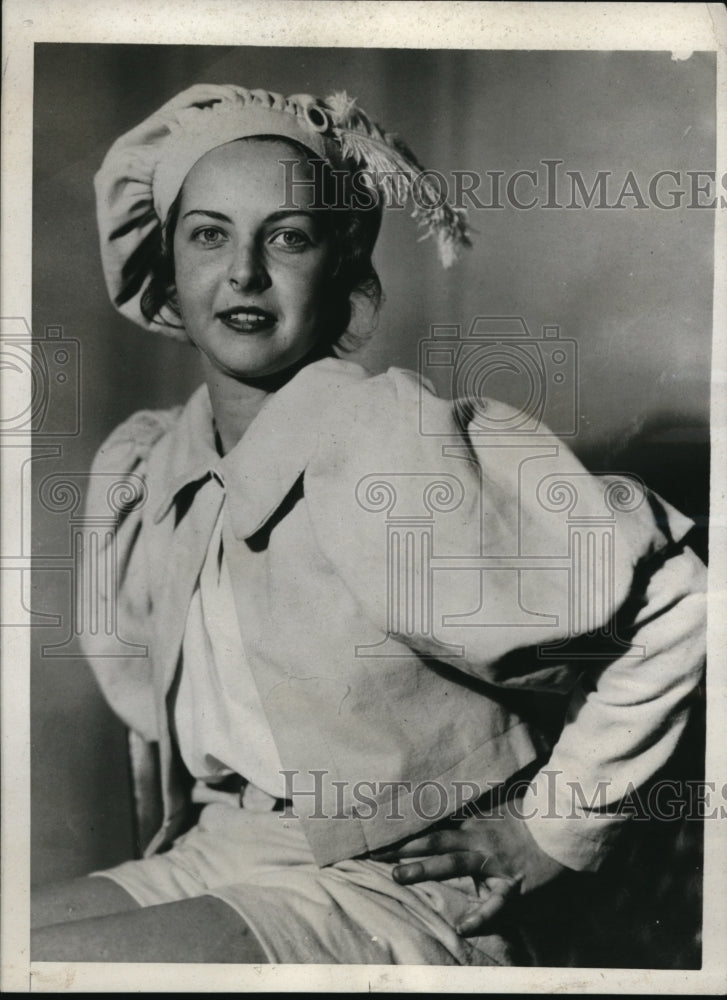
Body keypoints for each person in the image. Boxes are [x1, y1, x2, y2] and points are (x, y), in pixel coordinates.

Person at [31, 84, 707, 965]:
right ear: (166, 259)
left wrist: (553, 829)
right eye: (208, 234)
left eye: (287, 237)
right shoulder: (158, 463)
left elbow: (682, 598)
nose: (243, 272)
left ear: (340, 268)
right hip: (222, 849)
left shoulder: (386, 444)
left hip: (397, 887)